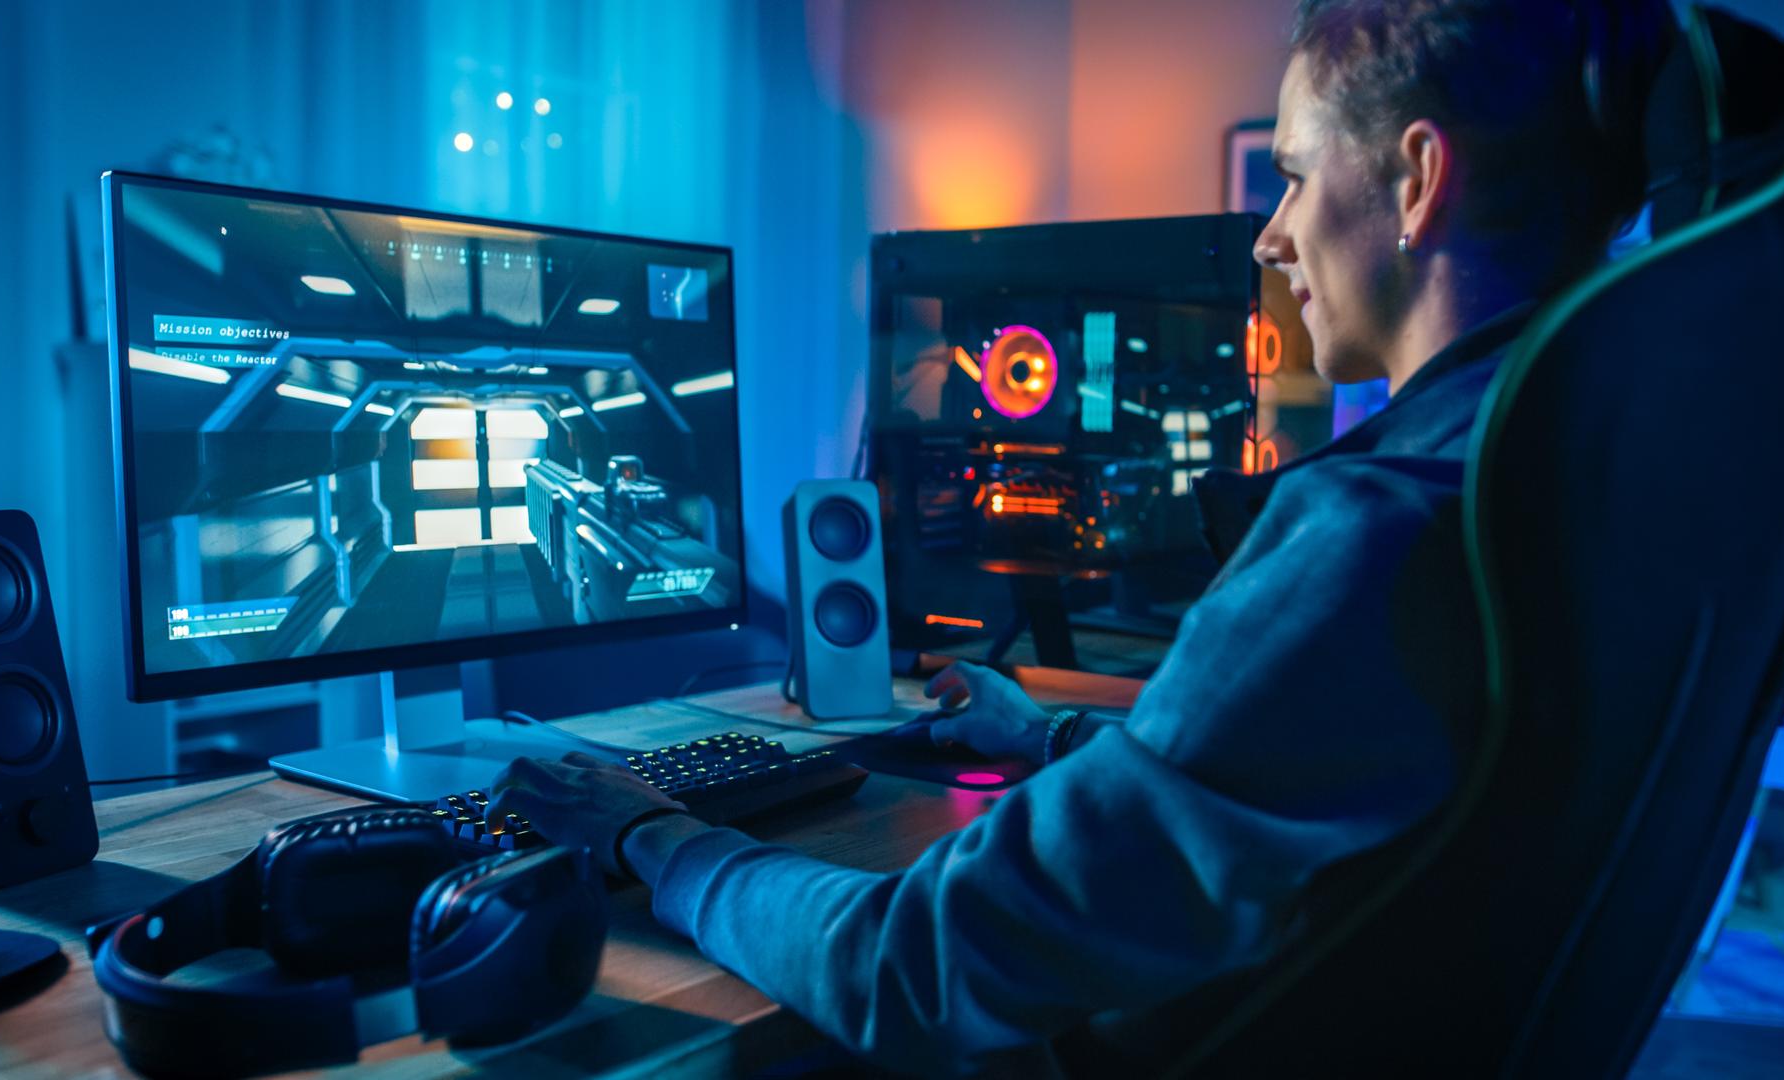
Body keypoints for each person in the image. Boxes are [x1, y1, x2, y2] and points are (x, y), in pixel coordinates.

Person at [484, 1, 1669, 1073]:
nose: (1270, 237)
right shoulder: (1580, 485)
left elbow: (912, 968)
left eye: (1296, 178)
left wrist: (651, 834)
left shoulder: (1373, 534)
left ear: (1417, 181)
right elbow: (1292, 796)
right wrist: (1047, 732)